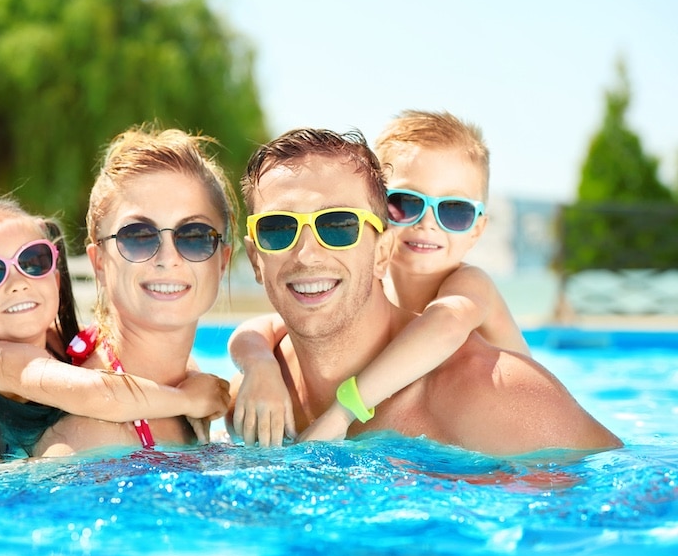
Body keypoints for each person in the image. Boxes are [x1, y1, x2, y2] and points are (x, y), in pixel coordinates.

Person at [228, 127, 622, 457]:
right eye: (277, 228)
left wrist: (342, 412)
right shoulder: (243, 402)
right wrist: (257, 364)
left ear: (383, 249)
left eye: (339, 225)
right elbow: (258, 331)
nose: (308, 252)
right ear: (256, 259)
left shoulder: (496, 394)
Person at [0, 190, 229, 460]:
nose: (18, 283)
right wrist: (188, 399)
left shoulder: (60, 342)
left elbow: (134, 354)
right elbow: (99, 395)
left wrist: (193, 375)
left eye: (33, 262)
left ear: (55, 278)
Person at [34, 126, 236, 455]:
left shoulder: (193, 381)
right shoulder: (88, 437)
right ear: (99, 261)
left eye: (195, 235)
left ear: (222, 260)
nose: (168, 258)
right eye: (138, 235)